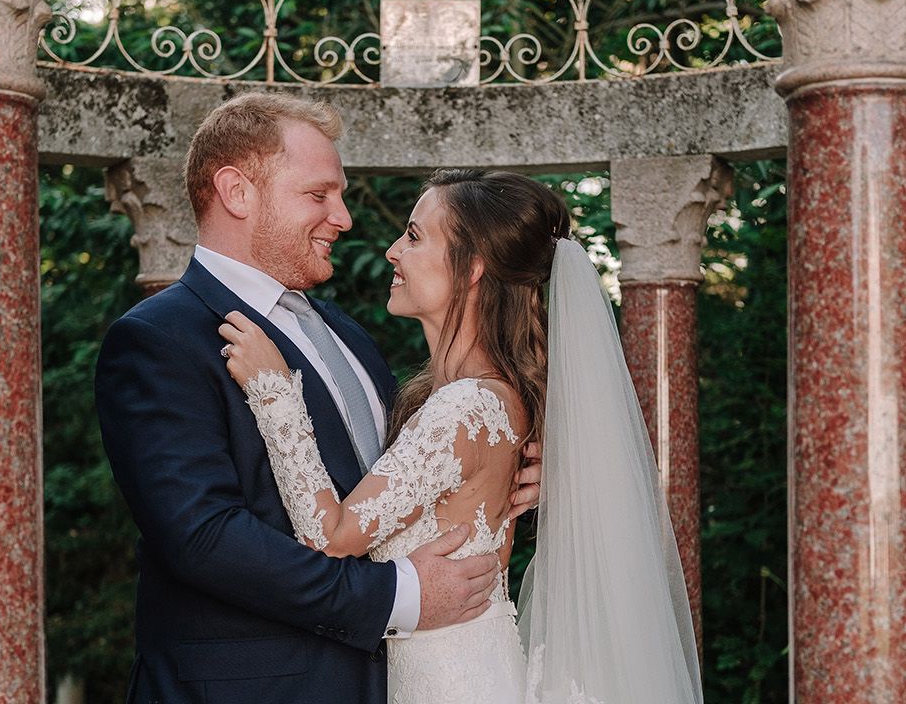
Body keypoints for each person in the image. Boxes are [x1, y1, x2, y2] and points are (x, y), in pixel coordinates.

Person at [95, 93, 542, 704]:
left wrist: (511, 475)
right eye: (319, 195)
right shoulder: (157, 340)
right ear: (237, 192)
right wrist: (401, 597)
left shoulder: (349, 334)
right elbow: (203, 540)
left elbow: (409, 488)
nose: (345, 218)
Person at [218, 169, 704, 704]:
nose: (391, 251)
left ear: (472, 268)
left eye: (414, 235)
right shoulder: (493, 397)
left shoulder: (467, 405)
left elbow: (330, 536)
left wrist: (273, 392)